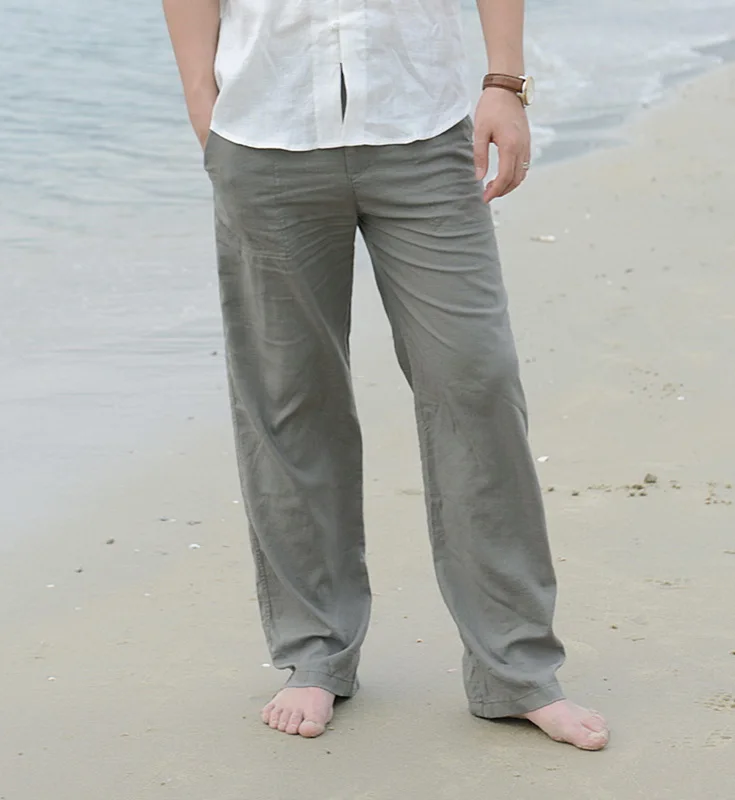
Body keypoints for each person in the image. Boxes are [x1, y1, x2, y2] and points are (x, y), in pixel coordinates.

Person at [163, 0, 609, 751]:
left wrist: (504, 83)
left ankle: (516, 668)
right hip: (265, 129)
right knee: (290, 396)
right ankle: (316, 649)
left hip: (423, 128)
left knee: (476, 381)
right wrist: (202, 103)